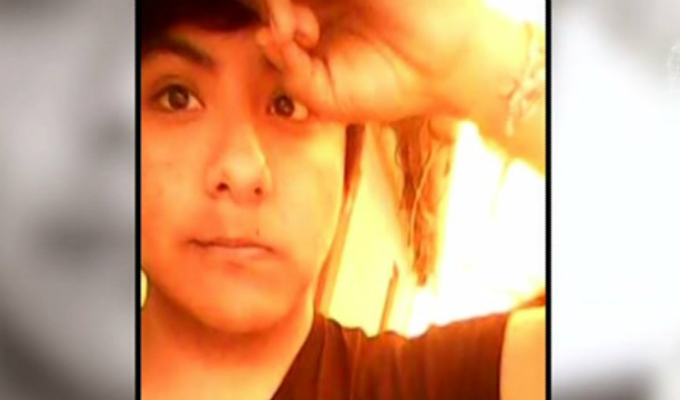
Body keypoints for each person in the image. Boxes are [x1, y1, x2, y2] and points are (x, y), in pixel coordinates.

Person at [140, 0, 546, 399]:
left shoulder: (438, 386)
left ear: (348, 177)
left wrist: (466, 56)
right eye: (177, 97)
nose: (241, 170)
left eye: (288, 105)